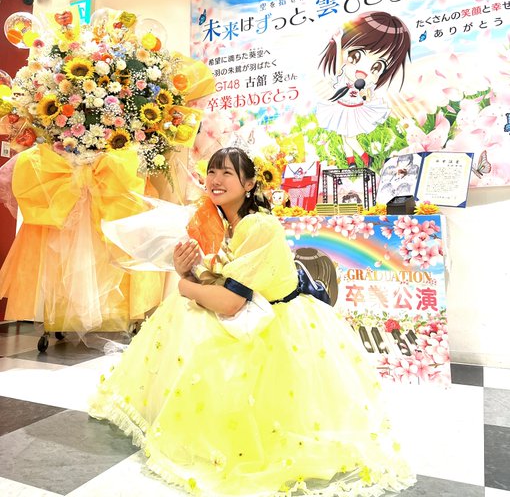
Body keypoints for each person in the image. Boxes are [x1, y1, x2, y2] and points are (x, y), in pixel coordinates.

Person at [89, 146, 415, 496]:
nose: (216, 180)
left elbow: (231, 302)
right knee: (182, 315)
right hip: (253, 310)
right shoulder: (227, 223)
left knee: (189, 317)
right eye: (212, 172)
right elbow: (221, 281)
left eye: (227, 173)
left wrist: (184, 285)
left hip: (275, 322)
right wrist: (188, 270)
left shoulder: (259, 226)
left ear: (248, 184)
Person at [316, 11, 411, 169]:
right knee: (345, 136)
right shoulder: (343, 78)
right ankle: (351, 162)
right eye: (356, 56)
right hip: (341, 108)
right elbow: (339, 64)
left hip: (354, 110)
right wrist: (338, 42)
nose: (364, 69)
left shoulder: (367, 85)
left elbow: (367, 97)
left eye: (376, 67)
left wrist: (364, 94)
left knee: (349, 137)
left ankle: (366, 158)